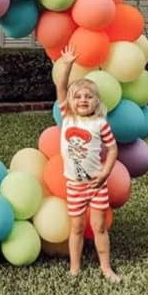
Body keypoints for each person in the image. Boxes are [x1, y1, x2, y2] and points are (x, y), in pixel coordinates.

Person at [55, 45, 121, 282]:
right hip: (74, 185)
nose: (83, 100)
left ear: (96, 101)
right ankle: (74, 268)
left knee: (100, 227)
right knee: (77, 228)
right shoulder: (68, 117)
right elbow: (61, 87)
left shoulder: (100, 124)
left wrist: (105, 173)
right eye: (78, 96)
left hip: (96, 185)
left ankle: (106, 268)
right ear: (71, 102)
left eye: (88, 96)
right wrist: (67, 65)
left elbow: (113, 149)